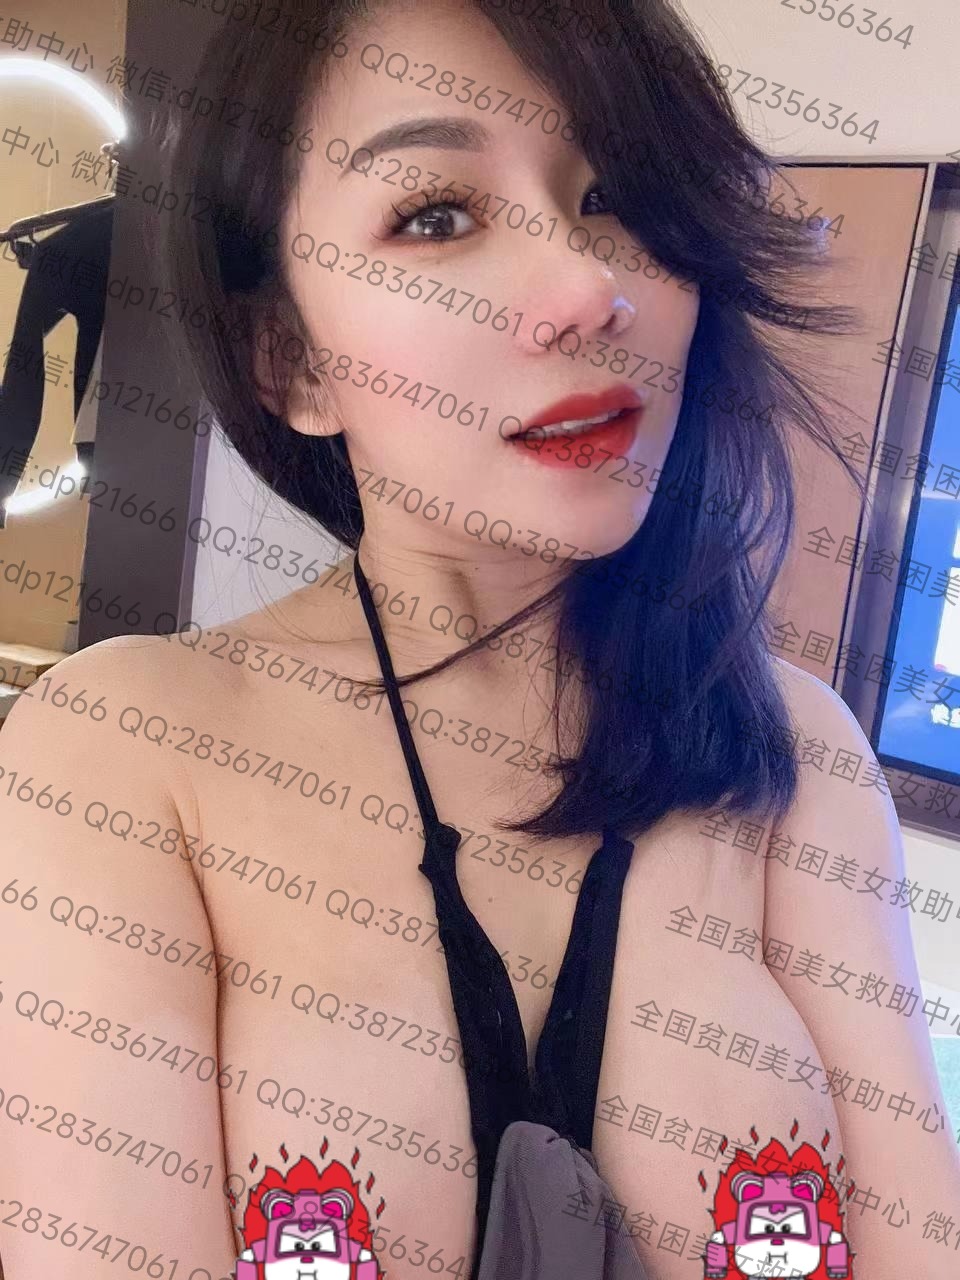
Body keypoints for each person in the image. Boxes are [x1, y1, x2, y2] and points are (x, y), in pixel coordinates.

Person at [2, 1, 957, 1277]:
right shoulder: (127, 753)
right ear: (290, 360)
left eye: (616, 193)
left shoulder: (800, 756)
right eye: (437, 215)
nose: (591, 289)